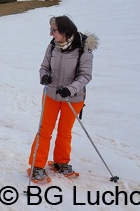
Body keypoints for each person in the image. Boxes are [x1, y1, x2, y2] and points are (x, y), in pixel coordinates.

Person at [28, 15, 98, 181]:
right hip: (51, 95)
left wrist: (70, 89)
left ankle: (61, 162)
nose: (51, 34)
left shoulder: (83, 48)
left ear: (65, 31)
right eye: (50, 30)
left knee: (65, 132)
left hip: (73, 98)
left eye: (54, 30)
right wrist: (43, 77)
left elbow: (86, 76)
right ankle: (37, 166)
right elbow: (44, 67)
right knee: (44, 131)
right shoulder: (53, 45)